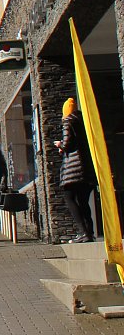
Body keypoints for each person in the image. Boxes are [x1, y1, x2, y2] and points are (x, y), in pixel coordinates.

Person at [53, 98, 96, 243]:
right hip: (86, 169)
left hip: (73, 169)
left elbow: (68, 144)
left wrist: (60, 145)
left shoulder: (68, 121)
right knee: (83, 201)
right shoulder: (83, 121)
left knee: (69, 197)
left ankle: (83, 231)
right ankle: (89, 232)